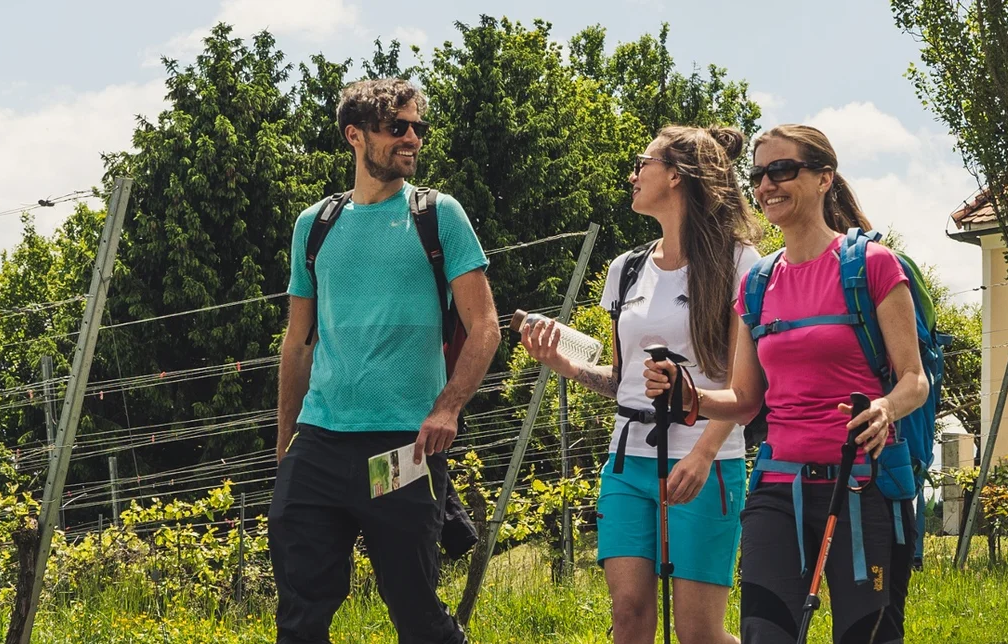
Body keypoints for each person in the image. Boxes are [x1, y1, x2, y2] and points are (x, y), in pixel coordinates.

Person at [644, 124, 929, 643]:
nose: (766, 185)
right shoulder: (757, 283)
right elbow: (746, 400)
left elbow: (914, 379)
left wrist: (887, 408)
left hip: (861, 486)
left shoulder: (872, 266)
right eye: (758, 174)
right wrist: (692, 397)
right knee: (763, 634)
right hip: (778, 489)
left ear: (824, 179)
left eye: (782, 170)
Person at [271, 77, 499, 644]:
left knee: (416, 613)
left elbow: (486, 327)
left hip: (402, 448)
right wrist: (286, 441)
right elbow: (297, 343)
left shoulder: (437, 215)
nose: (413, 138)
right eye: (397, 127)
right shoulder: (314, 226)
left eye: (418, 127)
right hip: (319, 444)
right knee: (299, 618)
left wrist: (447, 409)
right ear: (355, 136)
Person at [516, 125, 761, 644]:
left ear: (676, 176)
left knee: (698, 632)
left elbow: (745, 387)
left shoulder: (741, 263)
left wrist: (701, 454)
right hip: (627, 464)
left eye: (640, 163)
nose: (632, 175)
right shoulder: (625, 270)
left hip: (705, 462)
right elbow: (625, 382)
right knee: (627, 616)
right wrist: (562, 363)